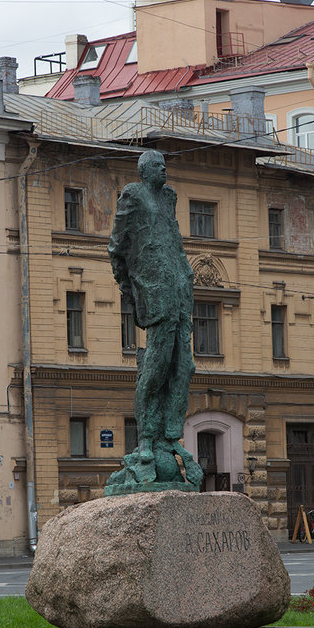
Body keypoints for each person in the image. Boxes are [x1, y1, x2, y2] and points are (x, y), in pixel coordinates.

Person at [108, 149, 196, 467]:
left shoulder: (168, 197)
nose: (165, 170)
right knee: (155, 369)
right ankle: (146, 438)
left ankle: (170, 436)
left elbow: (175, 240)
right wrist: (131, 290)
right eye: (159, 166)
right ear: (145, 171)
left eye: (165, 165)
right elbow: (116, 247)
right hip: (154, 291)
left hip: (179, 290)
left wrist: (187, 276)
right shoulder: (133, 194)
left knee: (184, 367)